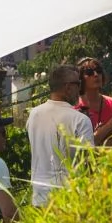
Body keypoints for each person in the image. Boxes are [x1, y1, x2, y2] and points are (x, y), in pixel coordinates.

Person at [25, 64, 95, 208]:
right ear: (68, 87)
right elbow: (88, 164)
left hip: (38, 197)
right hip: (68, 199)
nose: (80, 89)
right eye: (78, 84)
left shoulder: (34, 114)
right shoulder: (80, 120)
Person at [75, 57, 112, 144]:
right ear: (80, 78)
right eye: (89, 72)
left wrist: (98, 141)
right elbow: (83, 146)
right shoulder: (75, 107)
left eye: (99, 71)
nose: (96, 74)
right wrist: (108, 127)